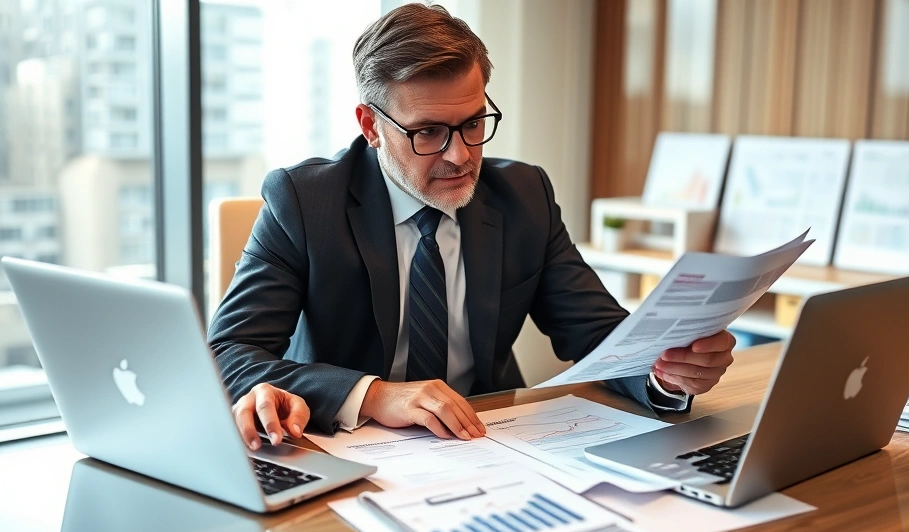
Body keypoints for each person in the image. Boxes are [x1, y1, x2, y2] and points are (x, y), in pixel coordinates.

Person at [209, 3, 736, 451]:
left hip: (487, 440)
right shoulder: (305, 201)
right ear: (371, 125)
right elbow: (228, 354)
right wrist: (374, 394)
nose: (460, 156)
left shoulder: (524, 195)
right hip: (348, 446)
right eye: (429, 132)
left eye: (473, 123)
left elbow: (599, 335)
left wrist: (663, 374)